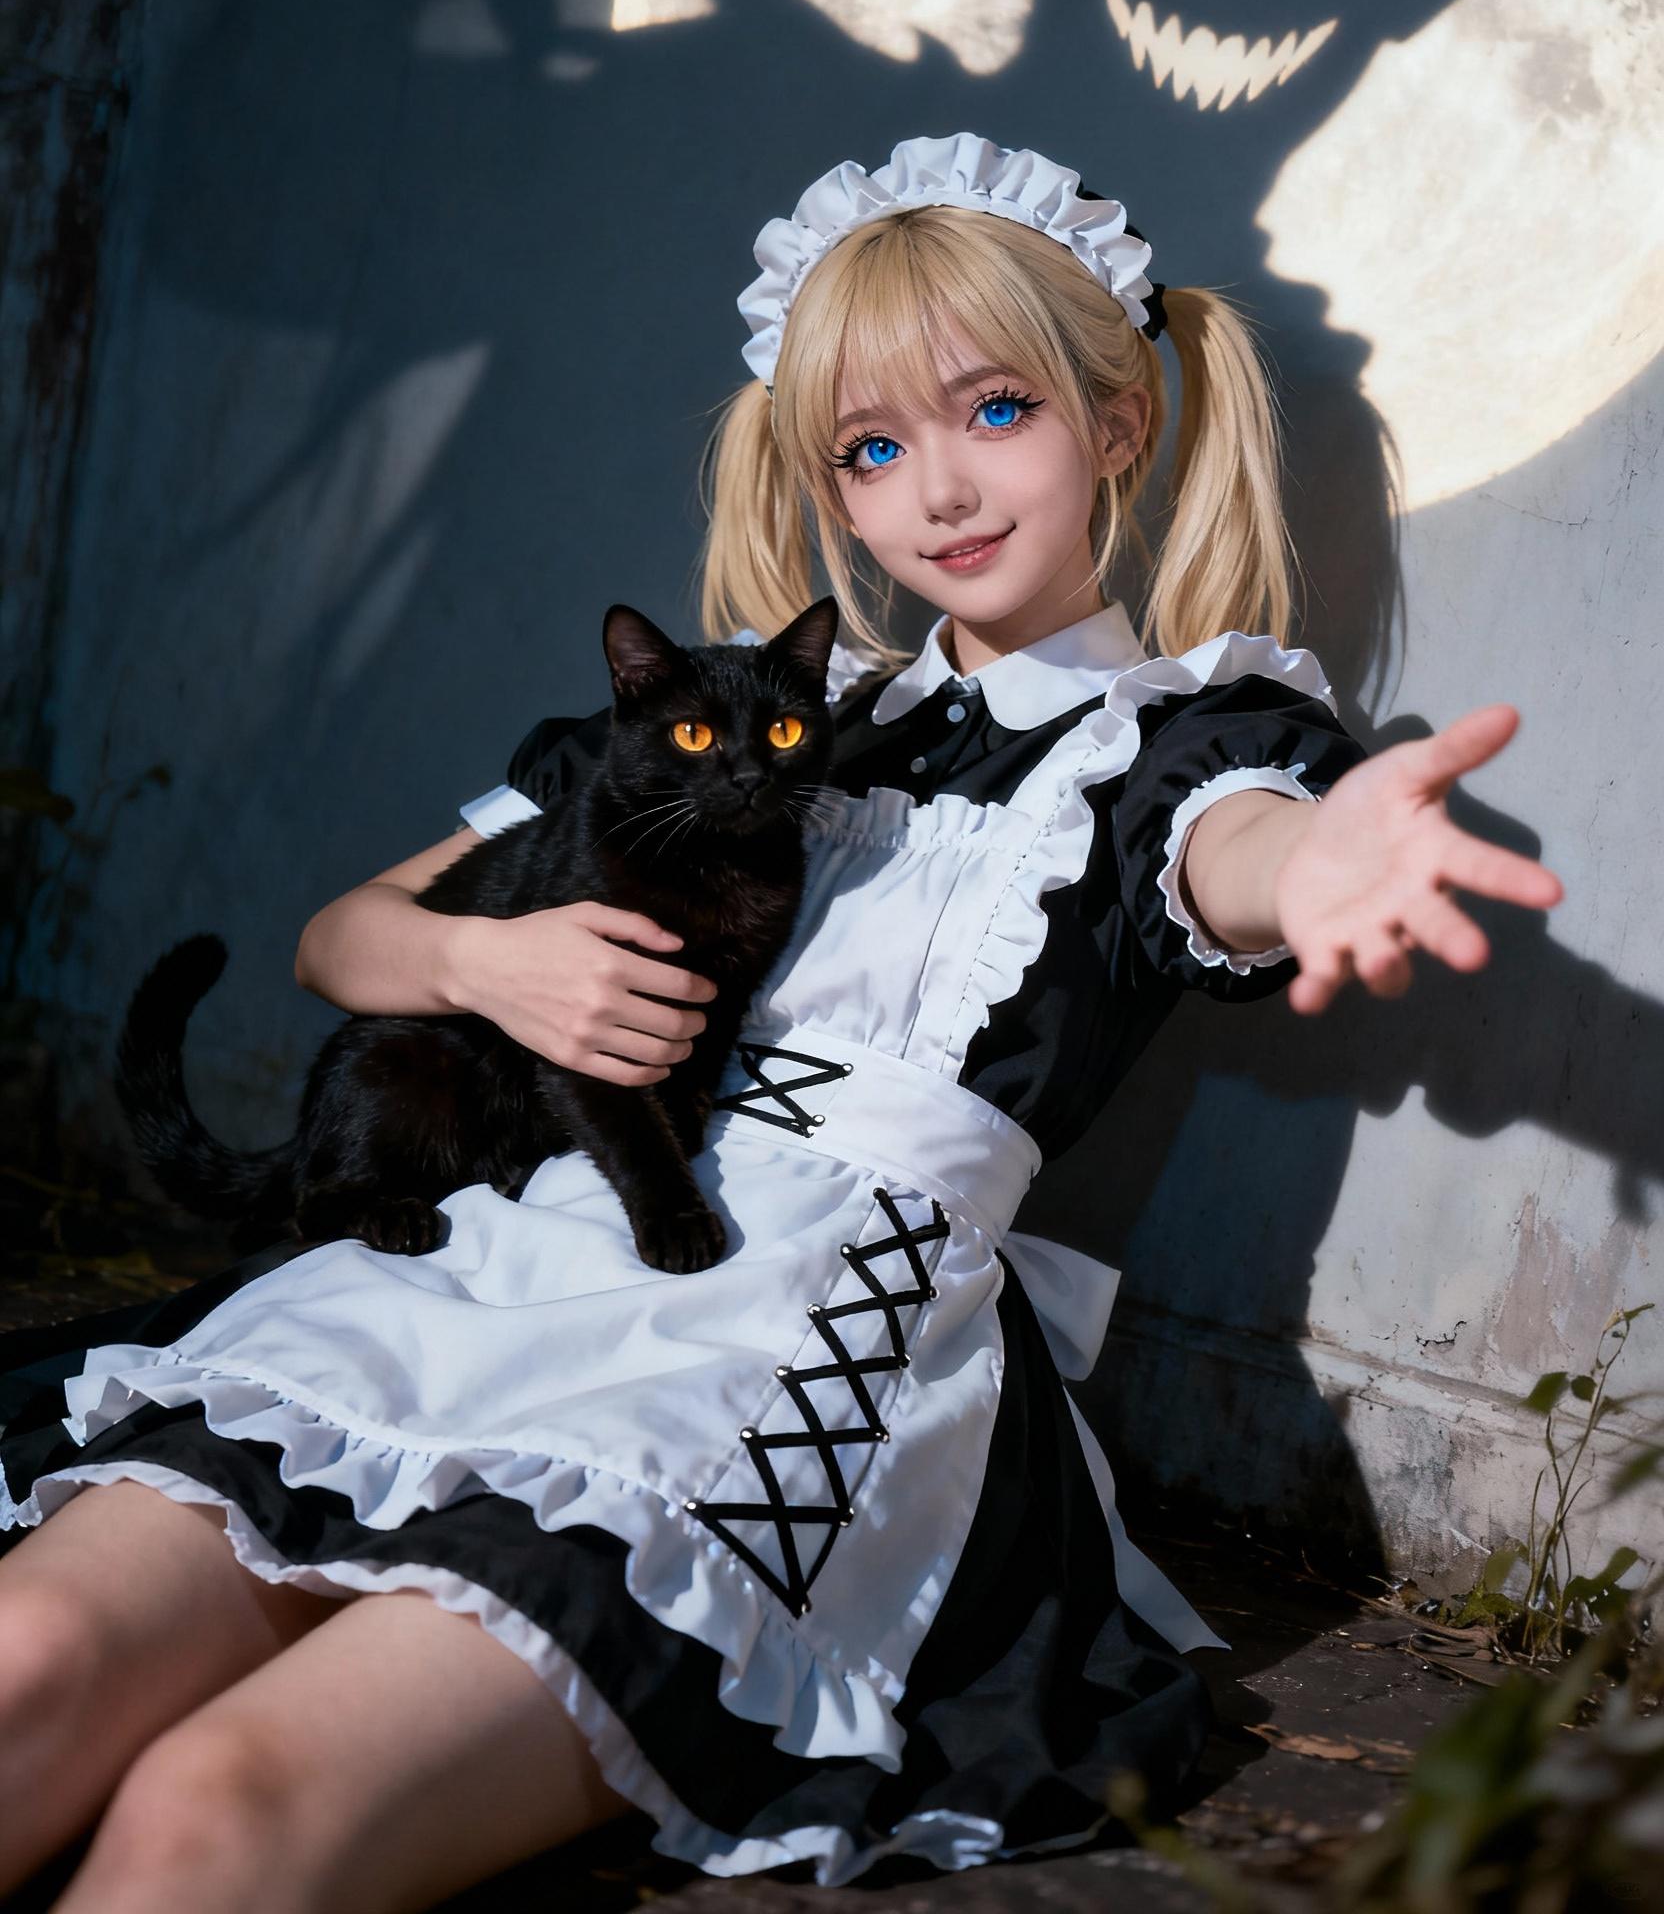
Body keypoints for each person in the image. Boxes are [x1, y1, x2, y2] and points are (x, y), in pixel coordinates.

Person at [0, 133, 1561, 1911]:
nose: (940, 492)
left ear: (1119, 421)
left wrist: (1329, 858)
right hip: (513, 1245)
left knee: (223, 1803)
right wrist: (486, 969)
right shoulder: (755, 707)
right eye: (872, 450)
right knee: (29, 1658)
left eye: (996, 412)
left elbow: (1238, 850)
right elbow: (339, 938)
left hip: (801, 1336)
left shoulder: (1181, 737)